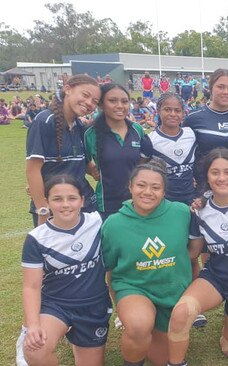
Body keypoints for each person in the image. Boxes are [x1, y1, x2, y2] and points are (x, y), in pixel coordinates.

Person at [167, 148, 228, 365]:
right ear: (207, 177)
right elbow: (193, 251)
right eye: (215, 172)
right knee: (182, 312)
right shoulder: (199, 211)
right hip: (216, 278)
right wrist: (164, 263)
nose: (222, 178)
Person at [102, 159, 202, 366]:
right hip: (134, 289)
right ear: (130, 187)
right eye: (141, 185)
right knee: (139, 326)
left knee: (163, 359)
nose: (148, 192)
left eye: (156, 187)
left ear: (164, 191)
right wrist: (120, 304)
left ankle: (158, 327)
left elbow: (193, 254)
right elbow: (110, 270)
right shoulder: (114, 225)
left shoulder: (182, 213)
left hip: (172, 293)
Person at [19, 175, 111, 366]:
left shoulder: (98, 222)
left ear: (82, 200)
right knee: (35, 351)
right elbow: (31, 287)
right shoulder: (37, 238)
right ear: (47, 202)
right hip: (55, 305)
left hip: (92, 305)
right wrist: (33, 325)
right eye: (57, 199)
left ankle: (78, 340)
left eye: (72, 198)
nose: (65, 205)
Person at [26, 74, 100, 227]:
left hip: (84, 203)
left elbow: (80, 161)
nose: (89, 103)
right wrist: (43, 211)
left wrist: (94, 169)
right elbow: (33, 170)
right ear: (68, 89)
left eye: (95, 101)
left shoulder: (79, 125)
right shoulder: (44, 121)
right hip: (55, 208)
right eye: (85, 95)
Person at [85, 83, 152, 220]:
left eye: (125, 101)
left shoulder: (136, 130)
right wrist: (92, 170)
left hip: (137, 201)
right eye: (113, 101)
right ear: (102, 105)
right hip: (107, 203)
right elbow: (82, 161)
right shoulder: (91, 133)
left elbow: (144, 160)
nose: (120, 106)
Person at [183, 69, 228, 180]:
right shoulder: (193, 118)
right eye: (220, 87)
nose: (225, 92)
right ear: (210, 88)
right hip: (203, 185)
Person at [146, 93, 197, 204]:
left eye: (177, 110)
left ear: (183, 113)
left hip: (192, 198)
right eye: (167, 110)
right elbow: (143, 169)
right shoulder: (150, 140)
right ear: (158, 111)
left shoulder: (191, 134)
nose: (173, 114)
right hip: (165, 201)